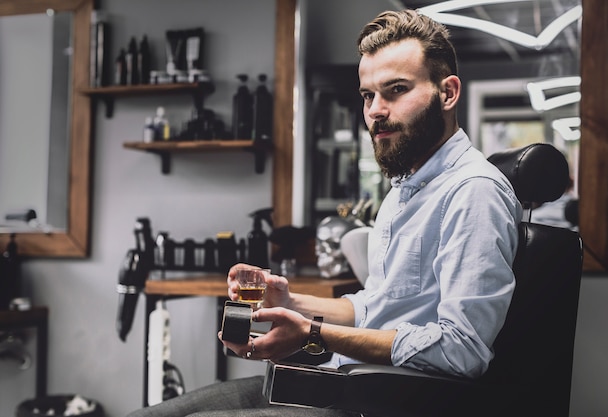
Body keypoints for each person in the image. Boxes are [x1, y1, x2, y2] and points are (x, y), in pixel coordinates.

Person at [127, 9, 522, 417]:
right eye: (368, 95)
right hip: (344, 383)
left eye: (396, 90)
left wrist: (314, 334)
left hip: (383, 402)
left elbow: (462, 350)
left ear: (448, 92)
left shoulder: (474, 192)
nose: (375, 111)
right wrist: (291, 302)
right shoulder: (407, 188)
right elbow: (375, 308)